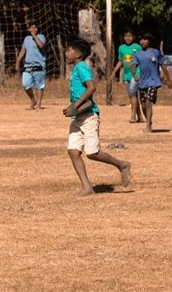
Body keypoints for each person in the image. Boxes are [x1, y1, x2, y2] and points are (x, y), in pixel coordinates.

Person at [64, 39, 132, 196]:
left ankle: (122, 165)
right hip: (78, 117)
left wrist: (75, 106)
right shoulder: (75, 68)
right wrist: (73, 109)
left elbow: (91, 88)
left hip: (89, 116)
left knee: (92, 153)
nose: (66, 53)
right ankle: (87, 187)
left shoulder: (81, 67)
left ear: (78, 54)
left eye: (68, 50)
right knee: (73, 151)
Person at [133, 33, 165, 133]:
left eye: (145, 39)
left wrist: (167, 78)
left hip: (153, 82)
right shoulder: (137, 53)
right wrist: (134, 75)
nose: (142, 42)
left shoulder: (155, 52)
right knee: (143, 105)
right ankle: (149, 121)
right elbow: (133, 66)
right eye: (141, 39)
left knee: (148, 102)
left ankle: (147, 126)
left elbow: (162, 64)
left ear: (149, 41)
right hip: (142, 82)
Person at [15, 19, 47, 110]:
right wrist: (18, 61)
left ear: (37, 29)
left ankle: (39, 105)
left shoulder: (41, 36)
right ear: (28, 29)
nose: (33, 29)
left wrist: (34, 36)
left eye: (34, 27)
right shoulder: (26, 39)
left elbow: (41, 45)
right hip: (28, 65)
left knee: (39, 85)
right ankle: (33, 100)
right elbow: (23, 50)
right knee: (25, 84)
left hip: (39, 65)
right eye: (31, 28)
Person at [113, 29, 143, 123]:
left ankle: (133, 116)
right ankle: (140, 117)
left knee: (132, 94)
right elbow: (120, 61)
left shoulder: (137, 47)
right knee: (132, 96)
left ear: (133, 37)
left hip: (136, 74)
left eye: (130, 36)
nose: (128, 38)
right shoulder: (121, 48)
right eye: (126, 36)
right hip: (127, 75)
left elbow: (142, 59)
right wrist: (114, 72)